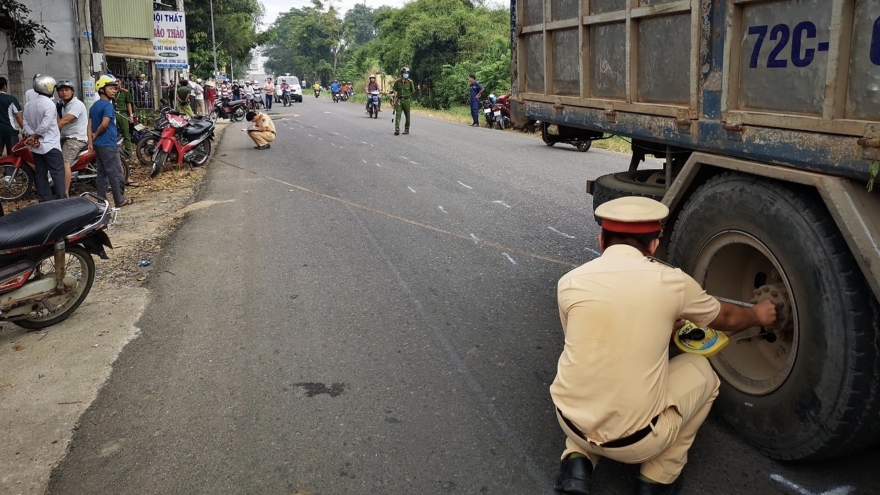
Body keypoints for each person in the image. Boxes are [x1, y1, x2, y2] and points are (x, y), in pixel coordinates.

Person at [550, 196, 778, 495]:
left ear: (601, 240)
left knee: (589, 365)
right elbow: (728, 318)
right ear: (654, 245)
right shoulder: (673, 283)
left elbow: (591, 341)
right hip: (636, 444)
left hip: (569, 423)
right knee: (703, 373)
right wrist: (758, 314)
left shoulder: (569, 281)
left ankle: (576, 465)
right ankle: (657, 480)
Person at [88, 75, 131, 208]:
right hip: (108, 143)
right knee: (116, 172)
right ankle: (120, 200)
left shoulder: (94, 106)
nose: (114, 91)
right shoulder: (108, 106)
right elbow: (105, 124)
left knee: (102, 173)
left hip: (98, 145)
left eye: (115, 89)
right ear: (101, 89)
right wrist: (96, 134)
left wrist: (91, 141)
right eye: (111, 88)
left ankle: (101, 200)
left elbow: (89, 125)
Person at [22, 75, 65, 202]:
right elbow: (44, 126)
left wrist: (32, 137)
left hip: (36, 147)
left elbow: (25, 124)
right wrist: (35, 136)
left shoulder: (28, 104)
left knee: (40, 174)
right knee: (57, 173)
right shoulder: (50, 105)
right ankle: (61, 200)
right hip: (51, 145)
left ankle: (44, 201)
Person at [56, 79, 88, 196]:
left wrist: (43, 132)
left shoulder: (76, 105)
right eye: (61, 90)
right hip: (65, 136)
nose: (64, 92)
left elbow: (64, 121)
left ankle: (65, 193)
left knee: (65, 162)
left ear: (72, 91)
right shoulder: (63, 105)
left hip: (76, 138)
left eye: (67, 90)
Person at [0, 76, 24, 156]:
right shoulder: (11, 99)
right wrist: (24, 129)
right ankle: (10, 169)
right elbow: (18, 117)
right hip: (10, 131)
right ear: (5, 87)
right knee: (13, 154)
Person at [114, 82, 136, 155]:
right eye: (115, 81)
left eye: (118, 81)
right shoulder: (111, 91)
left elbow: (128, 104)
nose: (116, 83)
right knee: (113, 132)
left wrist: (131, 115)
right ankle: (115, 151)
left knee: (126, 132)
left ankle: (128, 151)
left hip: (123, 114)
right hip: (113, 113)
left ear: (121, 82)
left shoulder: (124, 92)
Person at [392, 67, 415, 136]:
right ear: (402, 74)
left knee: (407, 115)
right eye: (405, 73)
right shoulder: (397, 82)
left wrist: (407, 95)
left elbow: (412, 91)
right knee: (398, 115)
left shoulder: (410, 82)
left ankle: (407, 129)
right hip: (399, 100)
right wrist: (394, 101)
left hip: (407, 100)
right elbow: (395, 91)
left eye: (407, 73)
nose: (406, 74)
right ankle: (397, 129)